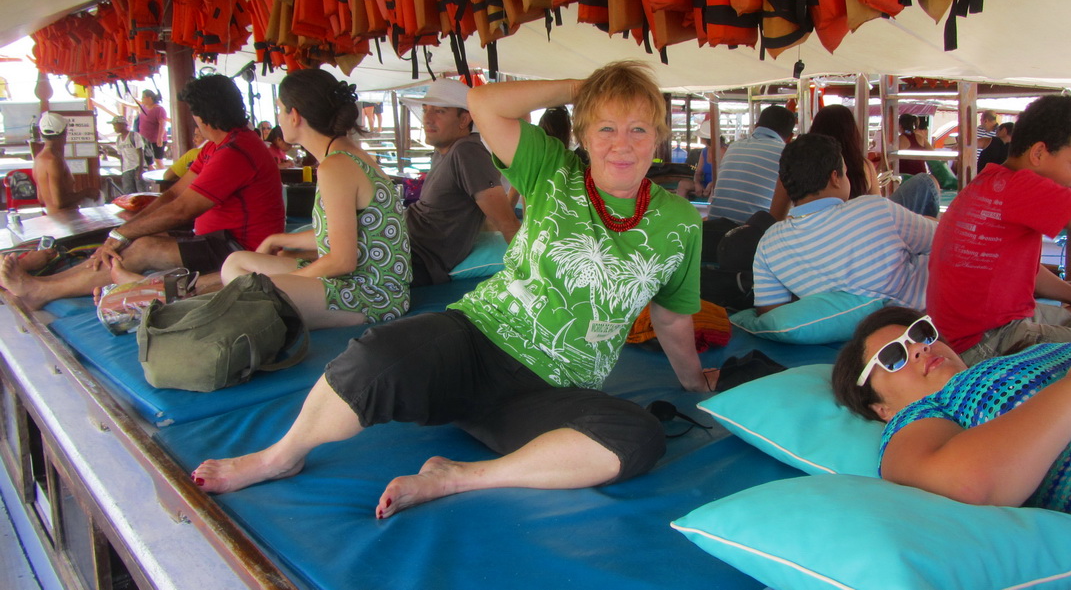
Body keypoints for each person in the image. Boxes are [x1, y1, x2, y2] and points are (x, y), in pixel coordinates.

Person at [190, 60, 709, 519]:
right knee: (377, 354)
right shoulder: (553, 169)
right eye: (607, 127)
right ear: (584, 133)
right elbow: (482, 101)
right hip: (477, 340)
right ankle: (280, 456)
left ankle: (457, 477)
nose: (623, 144)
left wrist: (693, 385)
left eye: (639, 129)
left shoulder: (680, 222)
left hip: (553, 393)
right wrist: (591, 85)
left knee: (637, 438)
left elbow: (671, 315)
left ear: (658, 139)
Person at [831, 306, 1071, 583]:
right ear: (881, 408)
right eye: (892, 357)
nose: (919, 349)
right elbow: (968, 482)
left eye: (921, 333)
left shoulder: (1027, 353)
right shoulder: (919, 416)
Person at [0, 75, 284, 310]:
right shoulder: (216, 146)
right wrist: (123, 232)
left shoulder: (236, 151)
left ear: (203, 117)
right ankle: (43, 286)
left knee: (144, 247)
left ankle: (42, 291)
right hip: (216, 241)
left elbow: (182, 210)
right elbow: (172, 195)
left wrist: (124, 234)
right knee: (133, 241)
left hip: (238, 249)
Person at [928, 95, 1071, 367]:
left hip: (975, 332)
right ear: (1038, 153)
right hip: (987, 343)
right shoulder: (1024, 188)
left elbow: (1027, 271)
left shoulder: (992, 183)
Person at [220, 69, 410, 329]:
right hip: (365, 284)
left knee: (248, 292)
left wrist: (297, 279)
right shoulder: (347, 154)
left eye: (280, 109)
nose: (278, 117)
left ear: (295, 115)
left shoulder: (335, 166)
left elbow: (342, 260)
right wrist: (279, 239)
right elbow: (343, 232)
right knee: (236, 263)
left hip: (372, 294)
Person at [752, 134, 936, 315]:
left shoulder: (769, 244)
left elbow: (772, 316)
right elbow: (945, 241)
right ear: (835, 177)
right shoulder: (873, 209)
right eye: (845, 173)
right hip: (924, 313)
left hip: (861, 333)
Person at [400, 78, 520, 286]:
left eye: (440, 111)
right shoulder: (443, 152)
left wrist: (532, 273)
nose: (427, 118)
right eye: (426, 109)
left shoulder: (467, 152)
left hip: (417, 258)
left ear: (464, 120)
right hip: (403, 243)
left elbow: (506, 221)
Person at [811, 105, 940, 218]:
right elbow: (878, 206)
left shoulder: (808, 166)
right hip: (864, 221)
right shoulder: (861, 165)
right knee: (926, 182)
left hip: (831, 224)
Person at [706, 105, 795, 223]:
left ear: (756, 127)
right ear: (790, 137)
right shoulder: (787, 154)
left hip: (714, 226)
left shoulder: (734, 146)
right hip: (751, 234)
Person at [32, 112, 100, 213]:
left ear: (41, 133)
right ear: (65, 133)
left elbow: (41, 198)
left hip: (53, 219)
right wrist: (86, 192)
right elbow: (59, 202)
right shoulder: (54, 160)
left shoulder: (38, 159)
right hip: (66, 221)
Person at [108, 115, 148, 194]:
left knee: (142, 193)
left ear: (122, 124)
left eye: (115, 125)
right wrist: (122, 170)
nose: (114, 127)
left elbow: (140, 153)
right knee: (129, 194)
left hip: (137, 167)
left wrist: (140, 170)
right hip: (127, 169)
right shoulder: (119, 139)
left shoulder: (134, 135)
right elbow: (121, 156)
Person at [138, 89, 168, 168]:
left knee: (158, 160)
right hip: (145, 139)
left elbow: (163, 124)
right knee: (148, 162)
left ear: (150, 98)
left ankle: (165, 179)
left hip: (156, 139)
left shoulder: (159, 109)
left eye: (143, 97)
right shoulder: (143, 107)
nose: (142, 99)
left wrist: (160, 137)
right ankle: (152, 179)